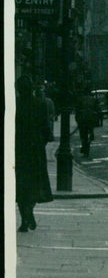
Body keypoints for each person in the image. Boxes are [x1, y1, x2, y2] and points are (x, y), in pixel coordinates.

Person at [15, 74, 53, 232]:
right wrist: (41, 143)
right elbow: (46, 129)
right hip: (36, 150)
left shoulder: (15, 105)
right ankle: (29, 212)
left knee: (20, 184)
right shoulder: (40, 104)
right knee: (35, 184)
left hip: (19, 149)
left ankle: (25, 217)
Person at [75, 86, 98, 157]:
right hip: (91, 119)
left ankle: (83, 145)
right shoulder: (94, 99)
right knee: (90, 131)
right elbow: (97, 109)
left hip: (82, 119)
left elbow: (77, 110)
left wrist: (77, 119)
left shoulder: (80, 99)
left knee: (82, 134)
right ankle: (89, 139)